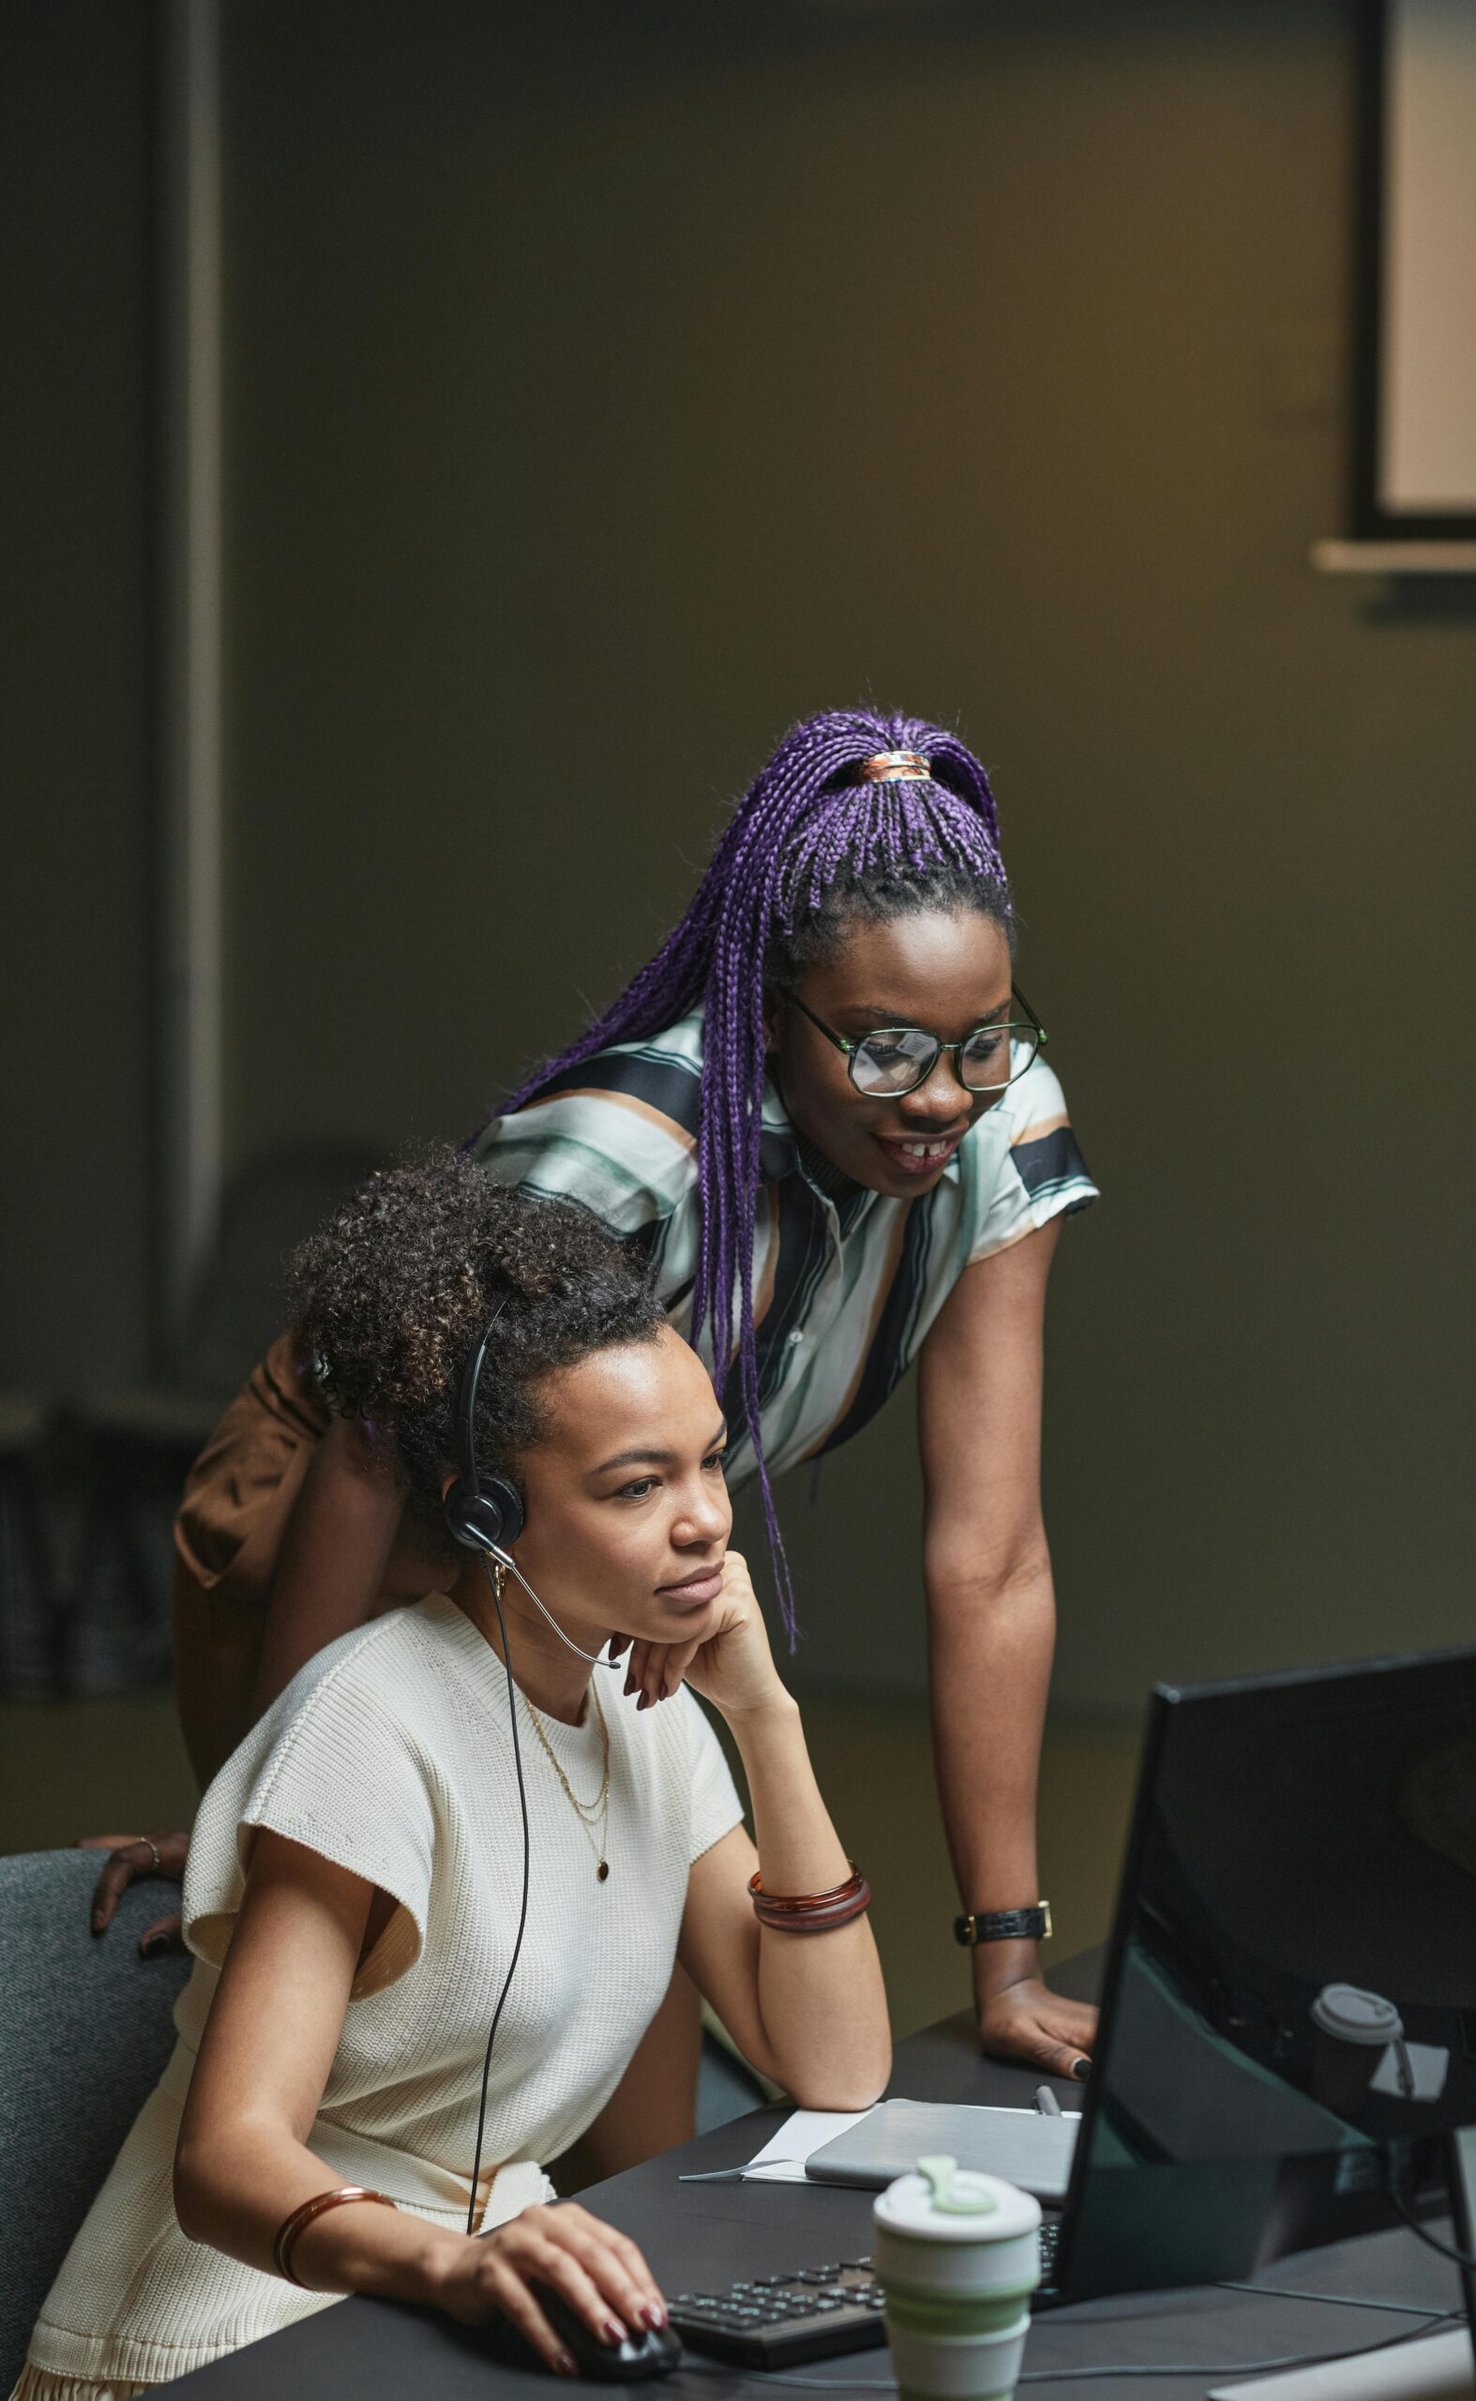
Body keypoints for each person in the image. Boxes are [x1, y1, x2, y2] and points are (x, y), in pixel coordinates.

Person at [92, 705, 1099, 2081]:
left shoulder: (1001, 1119)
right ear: (768, 1010)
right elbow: (377, 1456)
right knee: (403, 2001)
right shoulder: (624, 1154)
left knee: (619, 2013)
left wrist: (1009, 1956)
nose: (940, 1096)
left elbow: (990, 1556)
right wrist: (271, 1821)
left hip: (592, 1553)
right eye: (882, 1049)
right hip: (359, 1504)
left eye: (981, 1040)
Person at [16, 1160, 889, 2401]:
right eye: (638, 1485)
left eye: (706, 1463)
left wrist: (766, 1717)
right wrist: (453, 2264)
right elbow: (227, 2161)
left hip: (455, 2311)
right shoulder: (372, 1721)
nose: (704, 1520)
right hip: (226, 2338)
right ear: (485, 1511)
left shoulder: (651, 1713)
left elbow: (838, 2067)